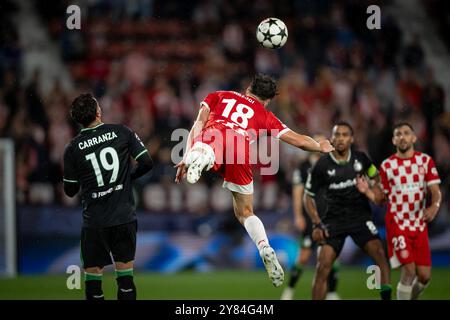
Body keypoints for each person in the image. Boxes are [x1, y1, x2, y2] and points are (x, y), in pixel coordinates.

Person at [175, 74, 334, 287]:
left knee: (210, 135)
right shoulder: (266, 115)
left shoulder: (219, 95)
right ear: (268, 100)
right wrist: (318, 146)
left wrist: (186, 155)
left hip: (216, 137)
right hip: (241, 152)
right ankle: (264, 247)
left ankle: (200, 156)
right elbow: (297, 139)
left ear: (249, 87)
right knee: (245, 212)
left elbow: (198, 123)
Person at [63, 93, 153, 300]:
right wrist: (126, 179)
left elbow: (70, 190)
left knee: (94, 284)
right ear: (98, 111)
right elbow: (147, 163)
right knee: (125, 280)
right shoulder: (122, 132)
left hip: (95, 221)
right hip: (123, 218)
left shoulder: (73, 148)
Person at [304, 122, 392, 300]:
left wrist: (374, 189)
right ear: (332, 138)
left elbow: (375, 176)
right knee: (323, 267)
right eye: (337, 135)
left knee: (380, 253)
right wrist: (316, 223)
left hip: (360, 217)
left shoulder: (362, 159)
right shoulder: (321, 165)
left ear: (351, 139)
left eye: (344, 135)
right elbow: (308, 196)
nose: (340, 138)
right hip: (333, 220)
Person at [356, 122, 441, 300]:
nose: (402, 137)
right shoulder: (387, 166)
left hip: (419, 224)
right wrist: (367, 191)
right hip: (397, 224)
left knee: (424, 277)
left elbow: (435, 191)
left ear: (414, 137)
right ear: (394, 140)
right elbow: (381, 199)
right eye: (398, 134)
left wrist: (434, 206)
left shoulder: (425, 161)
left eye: (406, 133)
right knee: (409, 271)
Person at [281, 134, 341, 300]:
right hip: (310, 219)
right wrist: (298, 215)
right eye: (318, 140)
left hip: (329, 216)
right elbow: (297, 192)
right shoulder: (303, 167)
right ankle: (290, 290)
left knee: (332, 257)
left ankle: (332, 292)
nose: (322, 143)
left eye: (324, 140)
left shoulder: (331, 165)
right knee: (304, 257)